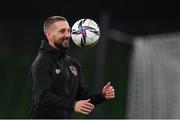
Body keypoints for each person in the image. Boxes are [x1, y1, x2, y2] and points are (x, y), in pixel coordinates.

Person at [30, 16, 115, 118]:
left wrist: (101, 96)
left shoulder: (73, 64)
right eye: (62, 31)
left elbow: (82, 99)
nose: (68, 35)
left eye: (69, 31)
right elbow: (43, 97)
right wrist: (73, 105)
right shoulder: (42, 62)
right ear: (49, 35)